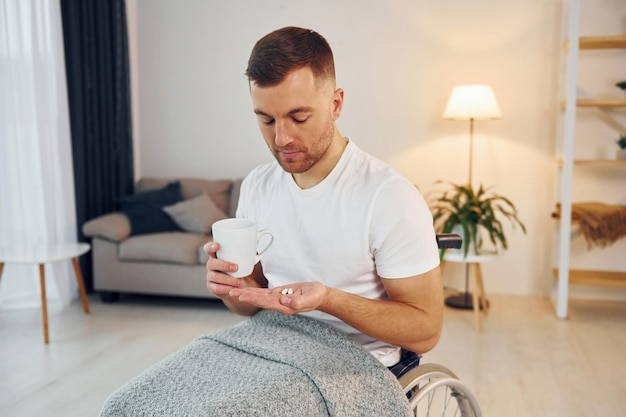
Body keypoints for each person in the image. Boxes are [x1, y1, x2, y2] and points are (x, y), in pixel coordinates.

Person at [205, 26, 442, 368]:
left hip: (358, 365)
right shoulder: (258, 185)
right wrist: (233, 285)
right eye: (266, 120)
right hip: (275, 350)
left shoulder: (388, 197)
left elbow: (426, 330)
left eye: (298, 117)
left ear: (335, 104)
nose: (281, 138)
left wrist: (328, 300)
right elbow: (250, 302)